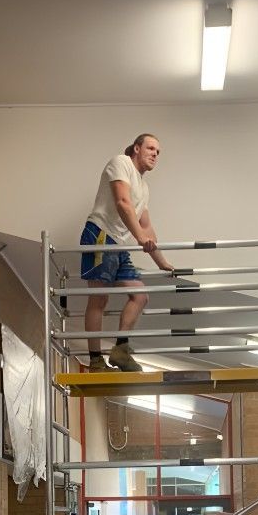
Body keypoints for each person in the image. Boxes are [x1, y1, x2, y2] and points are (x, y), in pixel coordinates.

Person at [80, 133, 173, 372]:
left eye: (158, 152)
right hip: (100, 234)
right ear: (136, 148)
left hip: (119, 244)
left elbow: (146, 227)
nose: (155, 154)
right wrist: (141, 239)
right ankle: (95, 360)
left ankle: (120, 352)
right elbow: (122, 202)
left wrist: (162, 261)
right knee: (99, 298)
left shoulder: (144, 187)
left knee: (140, 295)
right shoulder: (121, 163)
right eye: (151, 148)